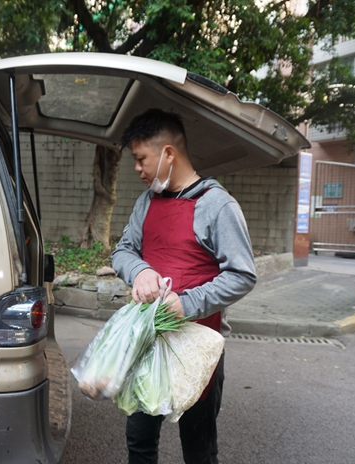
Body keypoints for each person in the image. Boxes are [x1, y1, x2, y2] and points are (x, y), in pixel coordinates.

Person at [112, 108, 257, 464]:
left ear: (168, 154)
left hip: (198, 351)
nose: (137, 168)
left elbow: (242, 274)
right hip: (149, 342)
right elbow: (123, 250)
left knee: (198, 448)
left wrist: (187, 304)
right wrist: (140, 271)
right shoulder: (146, 203)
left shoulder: (217, 205)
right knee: (139, 440)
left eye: (141, 158)